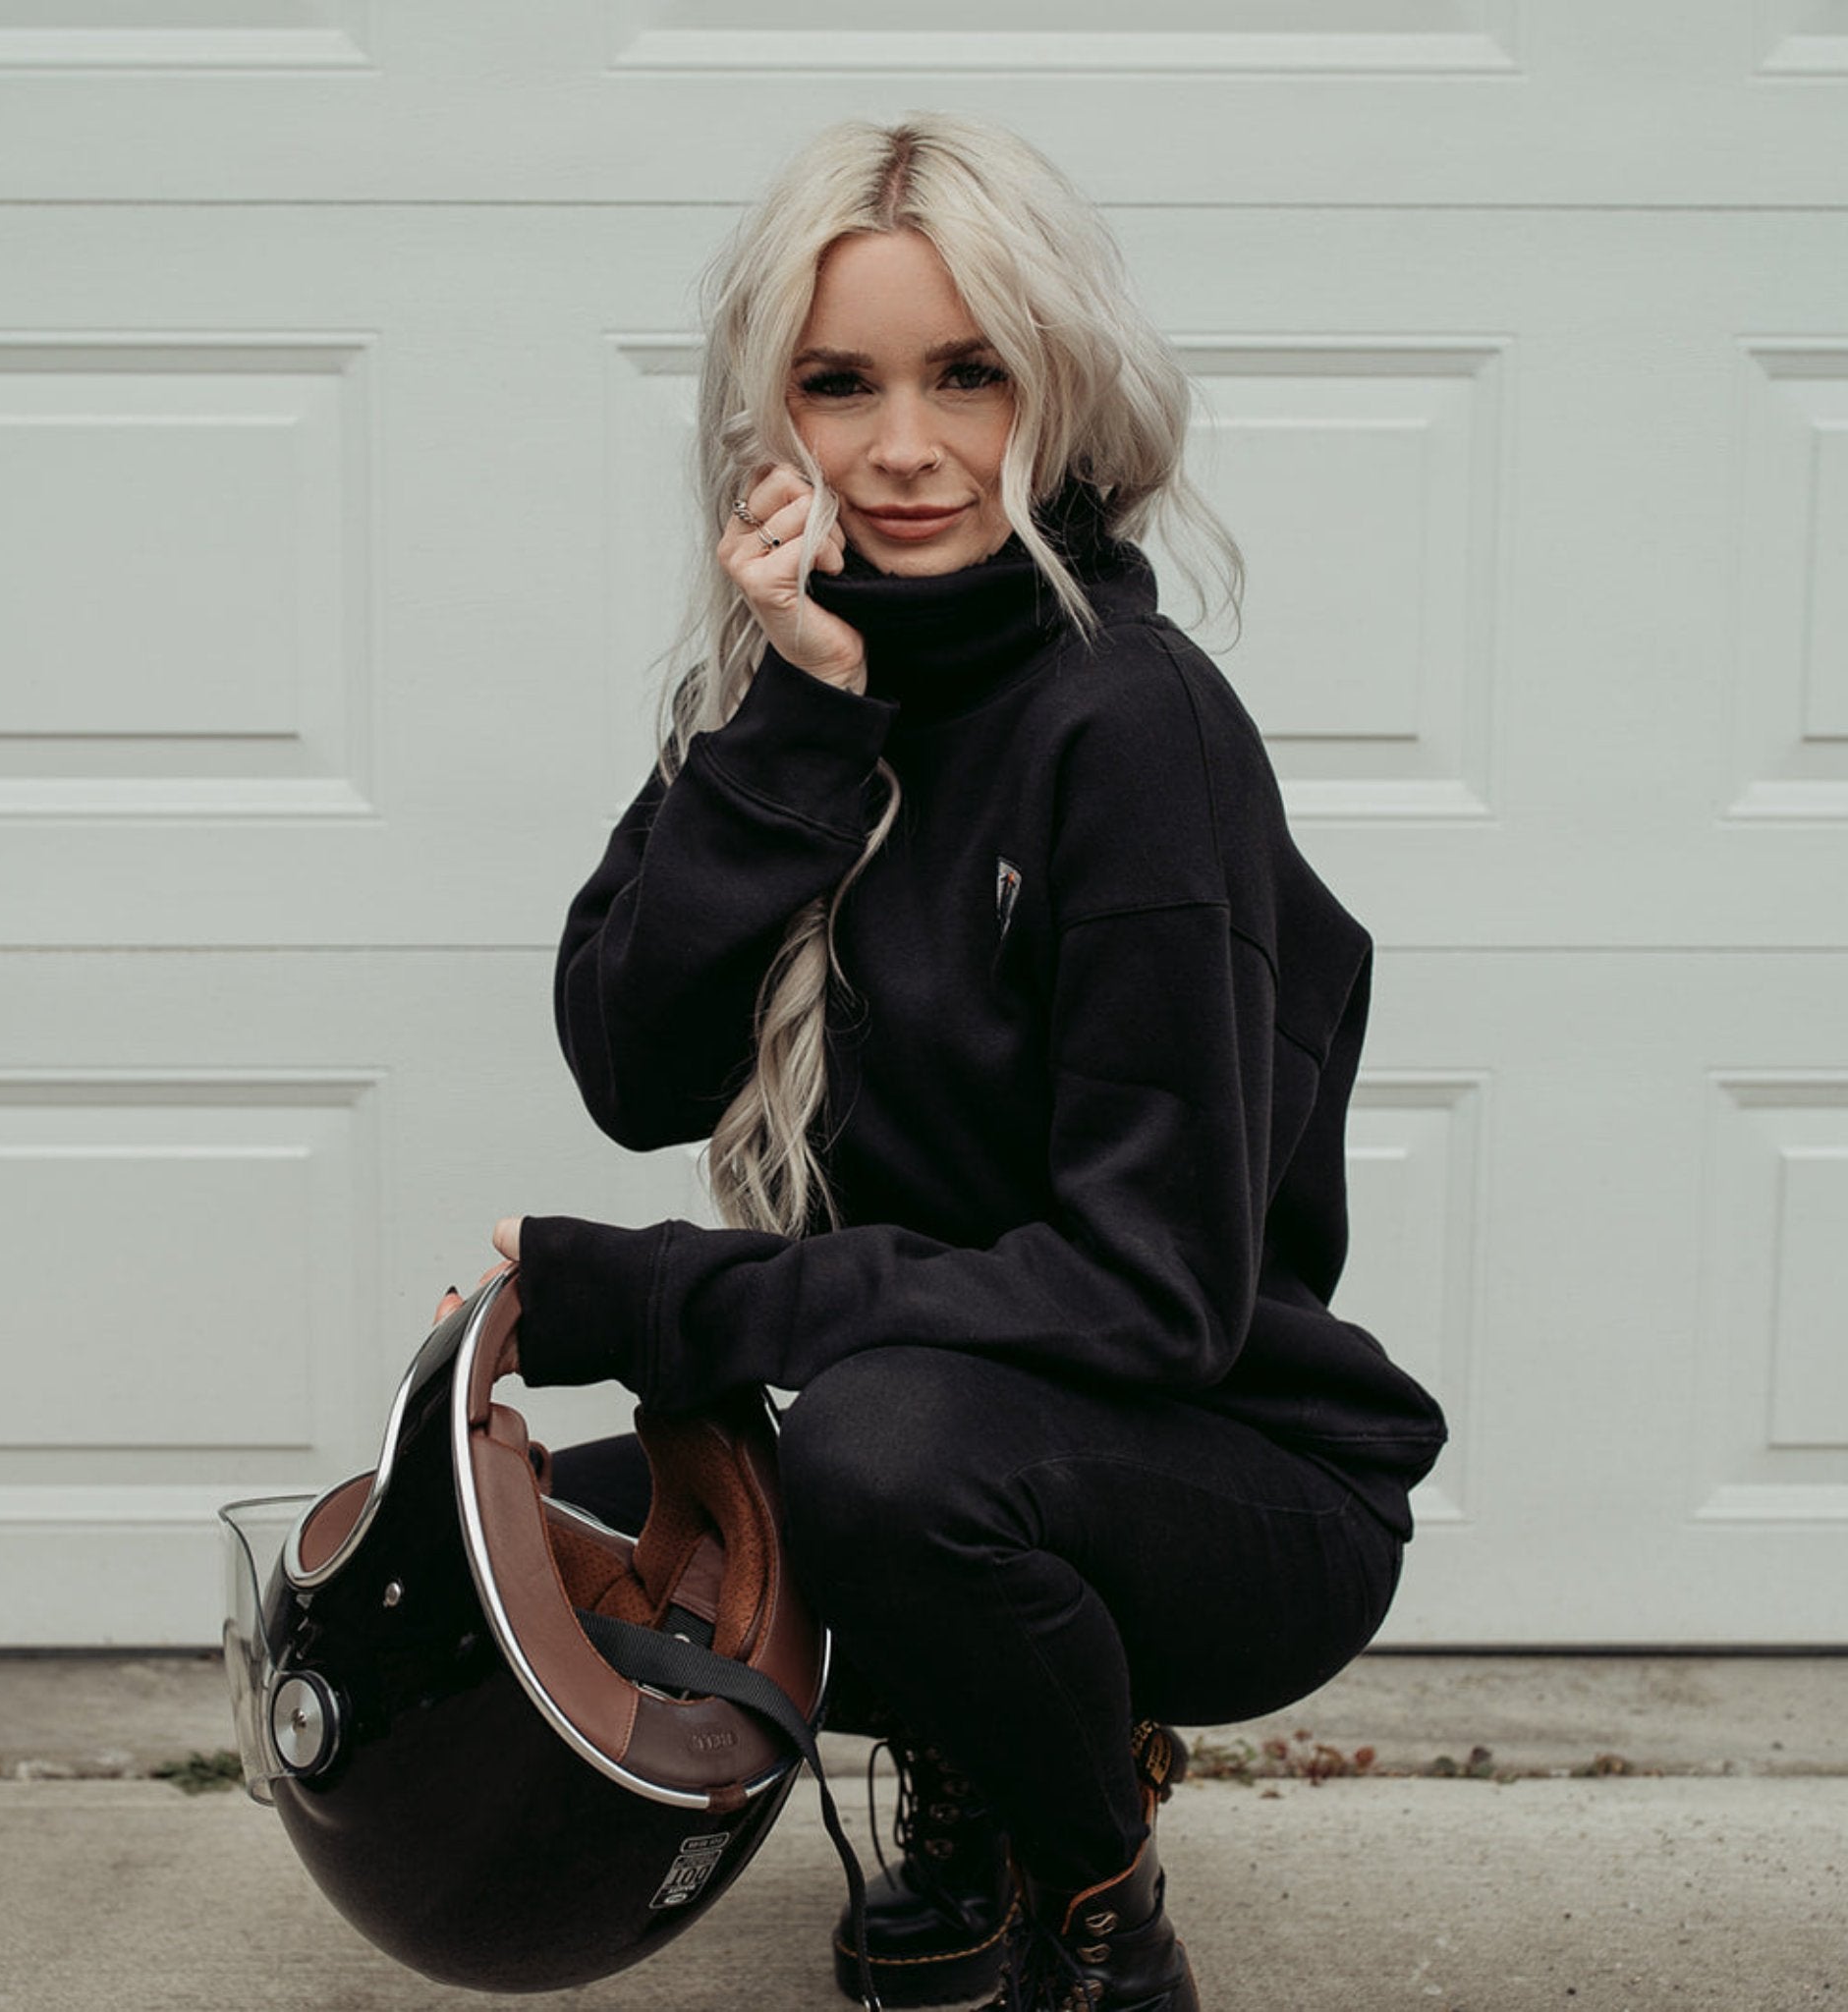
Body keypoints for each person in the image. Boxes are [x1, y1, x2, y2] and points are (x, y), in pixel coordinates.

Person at [487, 114, 1447, 2012]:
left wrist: (661, 1296)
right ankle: (984, 1750)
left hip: (1232, 1468)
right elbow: (631, 1064)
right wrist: (790, 729)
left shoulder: (1134, 726)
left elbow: (1147, 1287)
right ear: (771, 412)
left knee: (879, 1458)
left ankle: (1095, 1895)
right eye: (840, 383)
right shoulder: (779, 683)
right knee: (536, 1530)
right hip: (946, 1411)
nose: (906, 446)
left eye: (969, 372)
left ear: (1060, 389)